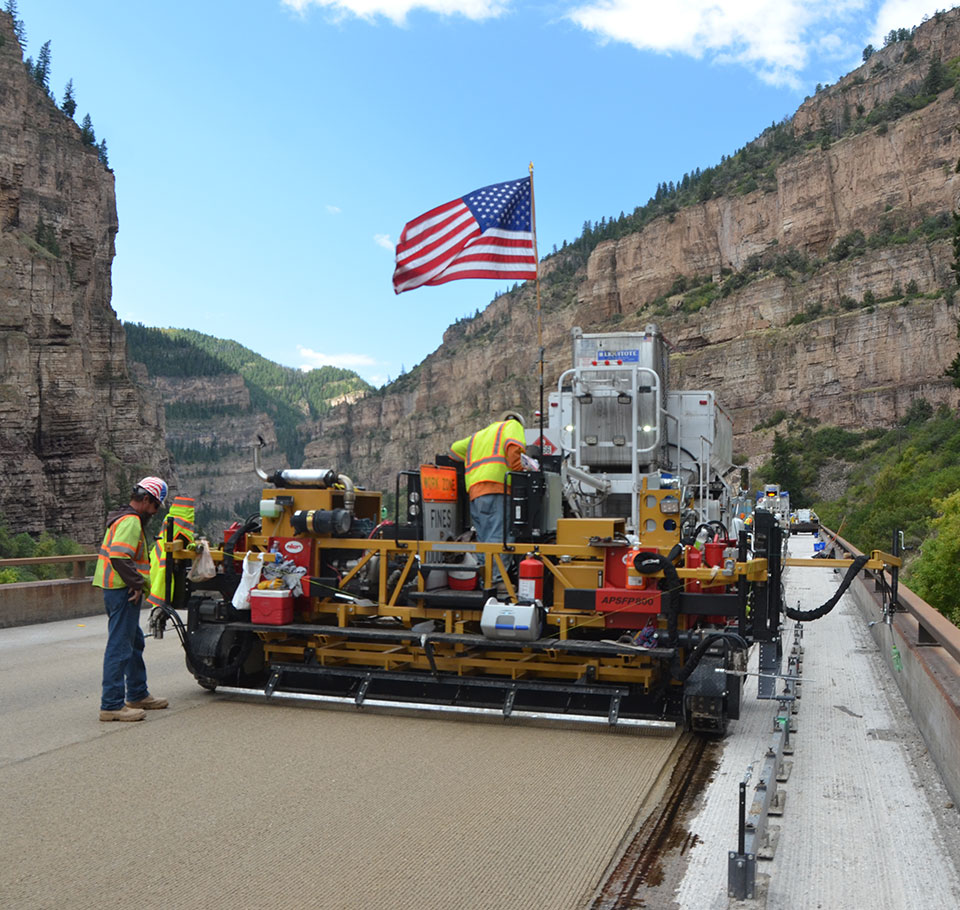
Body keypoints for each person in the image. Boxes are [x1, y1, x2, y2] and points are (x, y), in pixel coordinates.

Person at [92, 476, 170, 722]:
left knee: (134, 642)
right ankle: (112, 705)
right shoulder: (131, 522)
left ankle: (137, 693)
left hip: (117, 588)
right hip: (121, 590)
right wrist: (136, 584)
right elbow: (119, 557)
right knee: (120, 645)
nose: (156, 512)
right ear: (146, 500)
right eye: (156, 506)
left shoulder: (124, 517)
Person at [449, 410, 529, 583]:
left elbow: (454, 450)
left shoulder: (479, 436)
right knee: (499, 539)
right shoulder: (513, 425)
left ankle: (485, 581)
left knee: (485, 541)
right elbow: (514, 450)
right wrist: (522, 469)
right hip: (497, 489)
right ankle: (496, 583)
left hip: (476, 494)